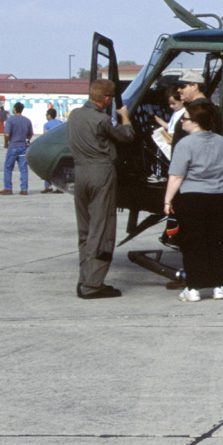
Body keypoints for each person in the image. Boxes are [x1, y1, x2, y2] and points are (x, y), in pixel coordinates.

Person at [68, 79, 135, 299]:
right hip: (100, 173)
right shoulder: (103, 120)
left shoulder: (75, 115)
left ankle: (85, 278)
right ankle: (93, 285)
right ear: (106, 99)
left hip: (80, 174)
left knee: (85, 229)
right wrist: (125, 116)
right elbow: (127, 137)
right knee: (102, 229)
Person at [164, 102, 223, 302]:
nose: (181, 122)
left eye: (184, 119)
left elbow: (176, 176)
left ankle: (194, 287)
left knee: (192, 243)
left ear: (194, 122)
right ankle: (218, 285)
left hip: (192, 196)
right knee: (214, 240)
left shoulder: (185, 144)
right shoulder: (222, 142)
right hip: (218, 194)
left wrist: (167, 200)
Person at [0, 102, 33, 195]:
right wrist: (26, 140)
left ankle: (8, 188)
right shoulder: (27, 120)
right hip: (23, 146)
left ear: (14, 109)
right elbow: (30, 134)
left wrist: (6, 143)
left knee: (8, 167)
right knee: (23, 169)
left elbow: (7, 134)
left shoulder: (10, 120)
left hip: (13, 146)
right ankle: (24, 189)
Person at [40, 107, 66, 192]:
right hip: (59, 149)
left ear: (49, 115)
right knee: (59, 168)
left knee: (47, 168)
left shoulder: (46, 124)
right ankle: (60, 187)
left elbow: (45, 137)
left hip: (50, 149)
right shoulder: (60, 123)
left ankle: (48, 186)